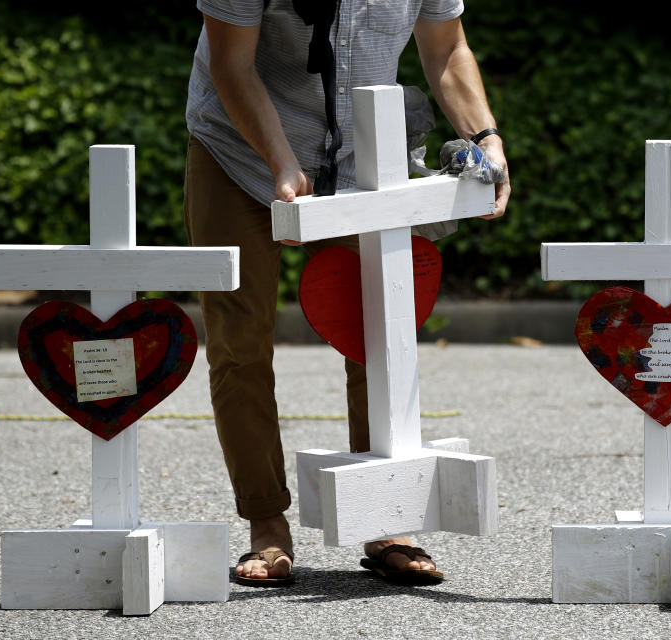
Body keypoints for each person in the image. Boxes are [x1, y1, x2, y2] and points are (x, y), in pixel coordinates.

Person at [184, 0, 510, 586]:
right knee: (240, 340)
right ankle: (266, 523)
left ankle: (386, 515)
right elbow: (232, 64)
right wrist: (281, 161)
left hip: (365, 155)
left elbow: (445, 48)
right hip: (237, 151)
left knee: (382, 328)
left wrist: (486, 138)